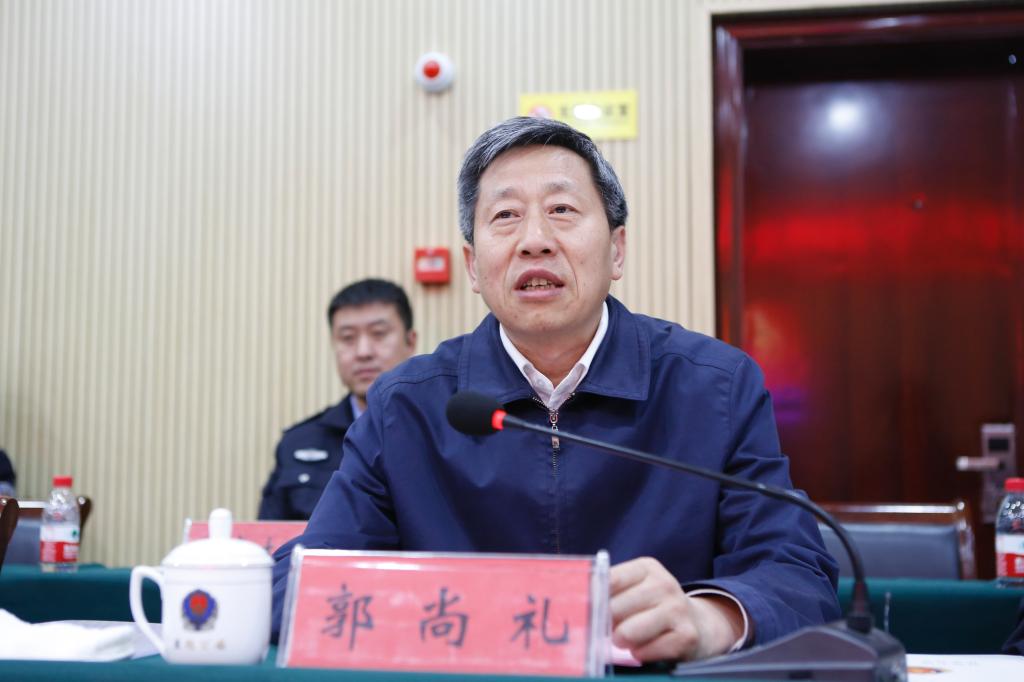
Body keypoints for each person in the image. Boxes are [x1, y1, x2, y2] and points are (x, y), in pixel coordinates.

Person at [269, 117, 839, 662]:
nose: (534, 240)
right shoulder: (406, 406)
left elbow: (796, 573)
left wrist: (710, 618)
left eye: (562, 210)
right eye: (506, 216)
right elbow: (308, 580)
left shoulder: (715, 387)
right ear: (473, 266)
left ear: (617, 250)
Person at [257, 279, 416, 520]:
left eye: (379, 334)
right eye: (348, 337)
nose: (363, 352)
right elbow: (272, 536)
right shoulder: (299, 443)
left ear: (410, 342)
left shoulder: (443, 430)